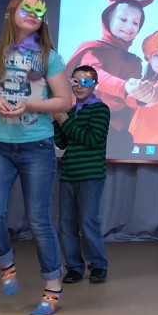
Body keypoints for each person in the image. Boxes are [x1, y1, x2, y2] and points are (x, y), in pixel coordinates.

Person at [0, 0, 72, 315]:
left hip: (37, 147)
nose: (33, 14)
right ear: (10, 12)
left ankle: (52, 287)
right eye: (26, 9)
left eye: (38, 11)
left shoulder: (49, 57)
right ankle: (6, 265)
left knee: (39, 220)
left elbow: (65, 101)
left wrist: (29, 105)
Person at [66, 0, 157, 151]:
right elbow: (94, 75)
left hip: (117, 132)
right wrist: (126, 87)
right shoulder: (92, 50)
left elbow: (128, 99)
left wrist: (142, 96)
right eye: (123, 19)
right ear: (108, 19)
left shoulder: (133, 61)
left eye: (136, 23)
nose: (129, 26)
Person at [54, 64, 111, 285]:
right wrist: (56, 122)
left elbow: (91, 139)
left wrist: (65, 122)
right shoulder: (69, 111)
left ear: (95, 85)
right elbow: (61, 143)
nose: (79, 86)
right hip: (69, 174)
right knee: (66, 224)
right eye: (75, 81)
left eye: (85, 82)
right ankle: (74, 268)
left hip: (91, 176)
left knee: (88, 222)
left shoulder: (101, 109)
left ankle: (98, 266)